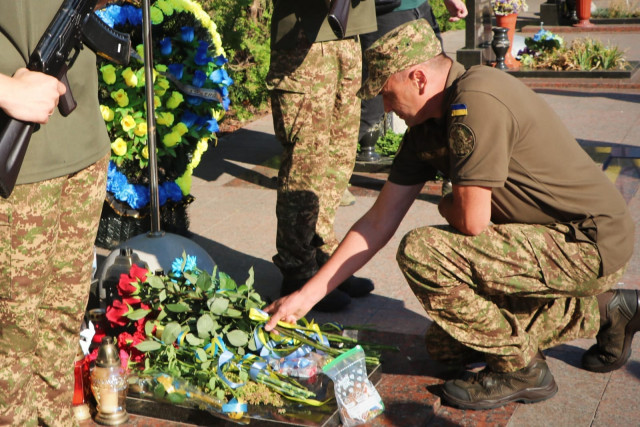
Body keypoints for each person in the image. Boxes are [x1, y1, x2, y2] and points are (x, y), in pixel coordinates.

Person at [265, 19, 637, 410]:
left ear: (418, 78)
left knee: (422, 251)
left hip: (586, 244)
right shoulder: (425, 128)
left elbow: (473, 222)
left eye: (388, 95)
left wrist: (448, 205)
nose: (386, 107)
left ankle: (522, 370)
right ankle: (606, 310)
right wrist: (305, 297)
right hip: (542, 240)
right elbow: (378, 220)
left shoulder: (476, 99)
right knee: (445, 347)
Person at [0, 1, 113, 424]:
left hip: (81, 142)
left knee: (61, 328)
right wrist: (5, 90)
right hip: (18, 162)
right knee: (11, 344)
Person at [267, 0, 378, 312]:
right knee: (307, 163)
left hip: (348, 35)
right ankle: (298, 271)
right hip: (305, 41)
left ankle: (324, 260)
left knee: (338, 160)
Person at [357, 0, 467, 162]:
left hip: (418, 6)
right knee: (372, 106)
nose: (389, 108)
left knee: (437, 94)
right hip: (386, 9)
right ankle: (327, 177)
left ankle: (448, 169)